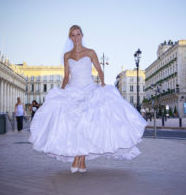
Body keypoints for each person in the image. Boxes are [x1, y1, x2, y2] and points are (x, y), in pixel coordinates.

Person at [29, 25, 148, 173]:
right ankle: (78, 157)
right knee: (73, 124)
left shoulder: (90, 52)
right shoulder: (67, 55)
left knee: (86, 122)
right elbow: (67, 76)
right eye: (73, 35)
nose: (76, 38)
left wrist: (103, 83)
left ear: (82, 35)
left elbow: (99, 70)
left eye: (78, 34)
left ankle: (81, 158)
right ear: (70, 37)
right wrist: (62, 90)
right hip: (73, 90)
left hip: (89, 89)